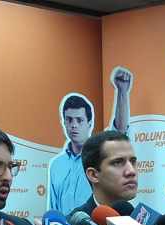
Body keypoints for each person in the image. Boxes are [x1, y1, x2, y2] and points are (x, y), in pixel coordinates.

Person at [47, 67, 133, 215]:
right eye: (69, 120)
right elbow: (53, 209)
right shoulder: (56, 165)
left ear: (89, 123)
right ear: (64, 122)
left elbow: (119, 130)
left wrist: (122, 91)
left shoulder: (100, 154)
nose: (74, 125)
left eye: (79, 120)